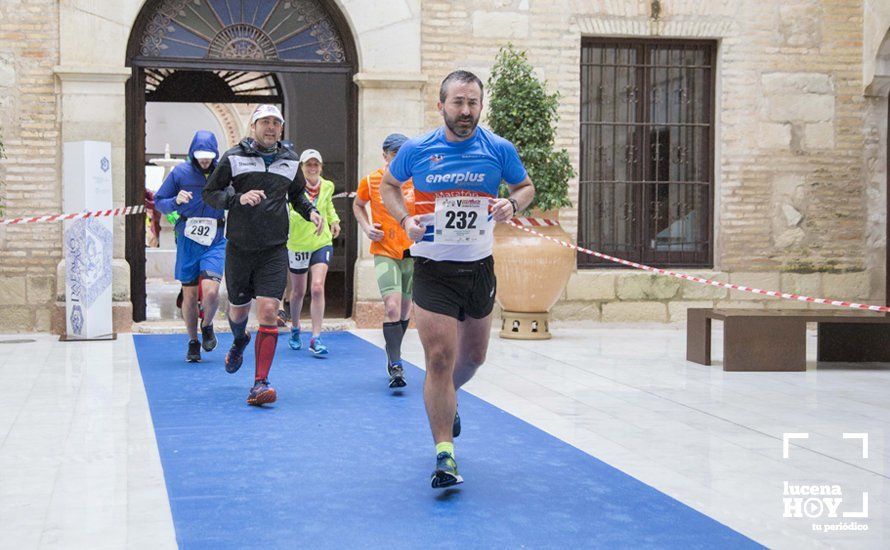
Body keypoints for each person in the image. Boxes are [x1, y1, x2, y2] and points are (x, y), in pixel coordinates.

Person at [380, 71, 535, 488]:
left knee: (472, 359)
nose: (466, 112)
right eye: (458, 103)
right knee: (439, 359)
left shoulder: (498, 149)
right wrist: (405, 218)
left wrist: (511, 203)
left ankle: (447, 398)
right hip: (432, 268)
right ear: (441, 106)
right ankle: (444, 455)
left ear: (481, 106)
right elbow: (389, 186)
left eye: (473, 103)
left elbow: (525, 187)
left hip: (479, 267)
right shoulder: (417, 149)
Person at [203, 104, 323, 406]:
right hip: (240, 248)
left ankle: (260, 383)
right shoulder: (234, 158)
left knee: (269, 311)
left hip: (273, 248)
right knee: (239, 312)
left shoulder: (290, 161)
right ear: (253, 127)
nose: (271, 127)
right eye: (265, 122)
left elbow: (296, 195)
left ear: (281, 129)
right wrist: (236, 197)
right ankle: (240, 339)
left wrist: (311, 212)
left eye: (276, 123)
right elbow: (211, 193)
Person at [154, 131, 225, 363]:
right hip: (188, 239)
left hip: (215, 239)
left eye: (208, 155)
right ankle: (193, 342)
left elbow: (236, 193)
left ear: (215, 153)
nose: (204, 160)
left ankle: (207, 325)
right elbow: (159, 202)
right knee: (190, 294)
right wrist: (175, 201)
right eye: (200, 155)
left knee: (212, 291)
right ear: (192, 152)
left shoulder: (223, 171)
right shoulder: (180, 173)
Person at [353, 133, 415, 388]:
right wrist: (367, 228)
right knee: (392, 306)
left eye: (403, 152)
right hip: (384, 250)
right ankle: (396, 364)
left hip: (412, 252)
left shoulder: (417, 181)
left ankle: (393, 355)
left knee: (404, 311)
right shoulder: (371, 180)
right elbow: (358, 205)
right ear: (385, 155)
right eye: (394, 152)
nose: (398, 157)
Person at [285, 149, 341, 355]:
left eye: (315, 164)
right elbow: (290, 211)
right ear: (301, 168)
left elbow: (328, 205)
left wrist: (334, 220)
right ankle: (295, 328)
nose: (312, 168)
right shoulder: (293, 188)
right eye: (308, 164)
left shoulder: (327, 186)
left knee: (317, 287)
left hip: (321, 241)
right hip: (297, 243)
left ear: (321, 167)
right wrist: (308, 216)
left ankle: (316, 337)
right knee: (299, 291)